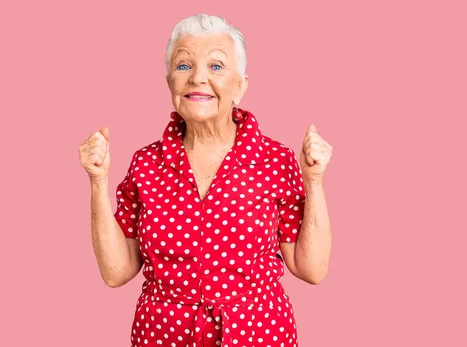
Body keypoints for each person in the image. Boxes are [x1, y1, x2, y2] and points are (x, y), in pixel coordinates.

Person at [78, 13, 333, 347]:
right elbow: (117, 272)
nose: (198, 77)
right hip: (163, 335)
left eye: (216, 66)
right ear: (169, 80)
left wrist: (313, 180)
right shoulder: (145, 164)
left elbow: (309, 268)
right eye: (184, 66)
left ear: (241, 84)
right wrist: (98, 181)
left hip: (258, 334)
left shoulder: (274, 160)